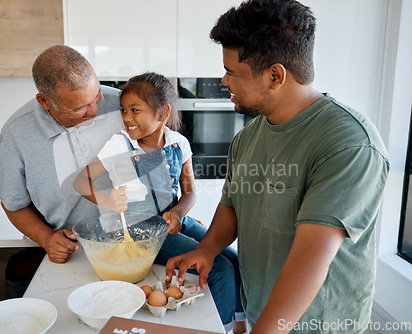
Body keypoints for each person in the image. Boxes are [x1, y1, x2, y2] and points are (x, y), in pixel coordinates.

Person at [165, 1, 390, 333]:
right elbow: (233, 207)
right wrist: (208, 248)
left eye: (232, 71)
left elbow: (311, 259)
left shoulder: (348, 144)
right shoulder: (250, 135)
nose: (224, 81)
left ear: (275, 75)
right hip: (263, 313)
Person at [74, 72, 247, 333]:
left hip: (175, 220)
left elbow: (190, 193)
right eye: (123, 110)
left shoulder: (179, 143)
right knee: (217, 267)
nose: (127, 118)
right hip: (141, 228)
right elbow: (81, 181)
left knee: (232, 257)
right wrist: (107, 200)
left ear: (163, 112)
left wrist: (178, 213)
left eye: (135, 110)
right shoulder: (119, 145)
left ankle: (240, 325)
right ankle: (219, 329)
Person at [0, 45, 123, 264]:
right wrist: (47, 239)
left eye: (97, 96)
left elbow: (163, 151)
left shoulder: (123, 105)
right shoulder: (15, 135)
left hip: (130, 242)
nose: (94, 110)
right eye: (80, 108)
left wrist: (176, 212)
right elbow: (14, 205)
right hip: (68, 251)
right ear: (45, 101)